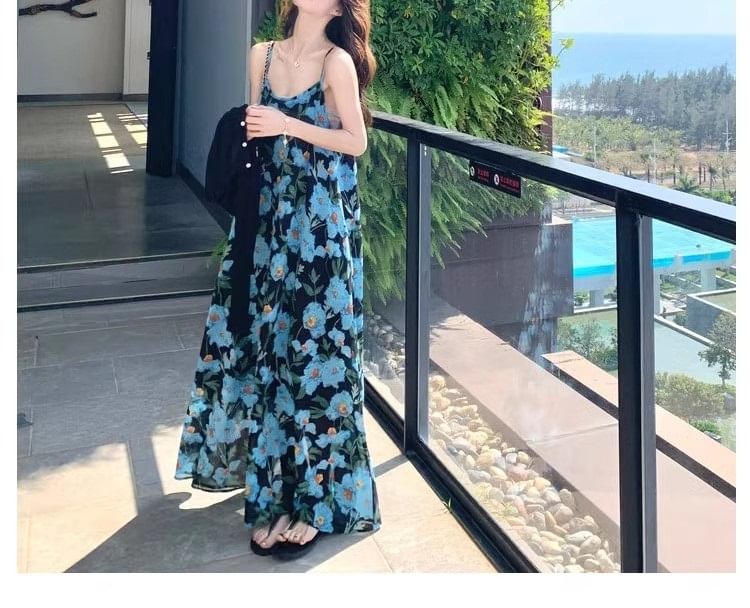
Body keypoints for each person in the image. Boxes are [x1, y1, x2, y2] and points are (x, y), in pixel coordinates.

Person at [174, 0, 381, 561]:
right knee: (267, 351)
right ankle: (275, 497)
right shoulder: (260, 57)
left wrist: (288, 124)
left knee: (315, 360)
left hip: (320, 231)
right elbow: (255, 142)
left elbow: (356, 141)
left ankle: (316, 505)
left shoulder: (337, 61)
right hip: (265, 222)